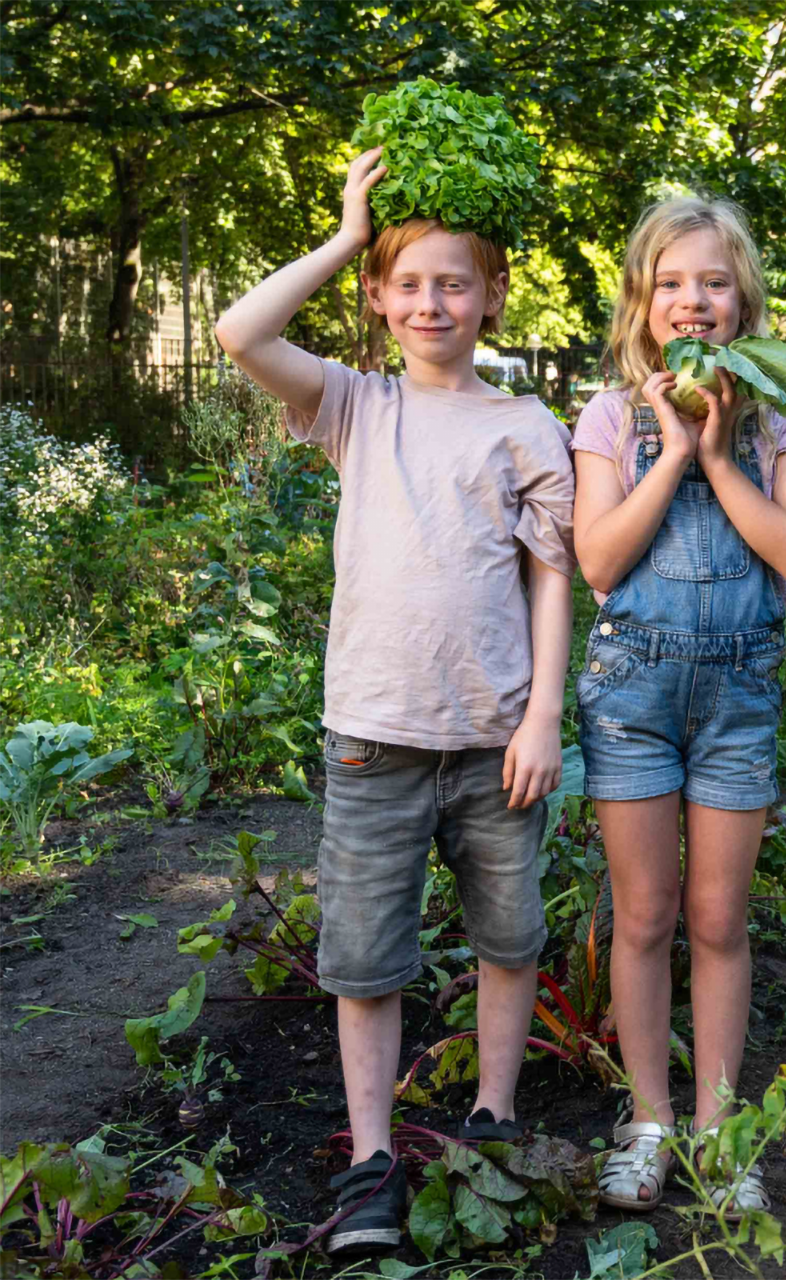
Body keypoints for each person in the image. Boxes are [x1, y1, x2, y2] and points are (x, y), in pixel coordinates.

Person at [214, 148, 575, 1256]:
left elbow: (550, 575)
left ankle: (493, 1119)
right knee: (365, 957)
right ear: (379, 295)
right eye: (409, 282)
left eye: (455, 282)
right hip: (374, 733)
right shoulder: (352, 406)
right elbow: (240, 333)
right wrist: (345, 235)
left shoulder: (525, 425)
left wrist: (543, 713)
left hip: (492, 737)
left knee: (508, 939)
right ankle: (372, 1158)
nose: (432, 302)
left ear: (493, 294)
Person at [570, 197, 786, 1217]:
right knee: (643, 915)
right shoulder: (609, 417)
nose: (694, 301)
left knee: (719, 916)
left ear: (743, 301)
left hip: (737, 696)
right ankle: (649, 1121)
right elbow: (598, 556)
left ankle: (723, 1129)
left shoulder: (783, 423)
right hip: (633, 690)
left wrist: (722, 450)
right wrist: (674, 448)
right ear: (644, 306)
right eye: (672, 283)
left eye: (713, 283)